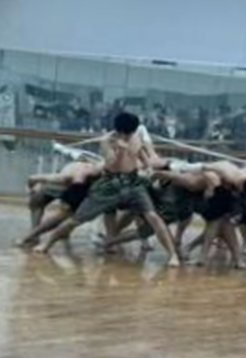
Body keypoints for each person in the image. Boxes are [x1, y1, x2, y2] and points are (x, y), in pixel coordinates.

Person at [37, 112, 179, 266]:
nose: (129, 136)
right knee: (77, 219)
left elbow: (142, 155)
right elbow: (110, 163)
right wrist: (120, 150)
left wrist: (149, 167)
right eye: (127, 133)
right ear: (119, 131)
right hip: (110, 183)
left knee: (153, 216)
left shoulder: (136, 136)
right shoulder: (107, 141)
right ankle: (47, 243)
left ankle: (172, 255)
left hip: (133, 182)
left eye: (131, 133)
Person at [16, 159, 103, 249]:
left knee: (65, 215)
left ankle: (34, 237)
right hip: (75, 181)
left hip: (81, 183)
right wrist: (32, 190)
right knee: (40, 200)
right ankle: (35, 236)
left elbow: (33, 179)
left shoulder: (69, 177)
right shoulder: (68, 175)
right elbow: (33, 180)